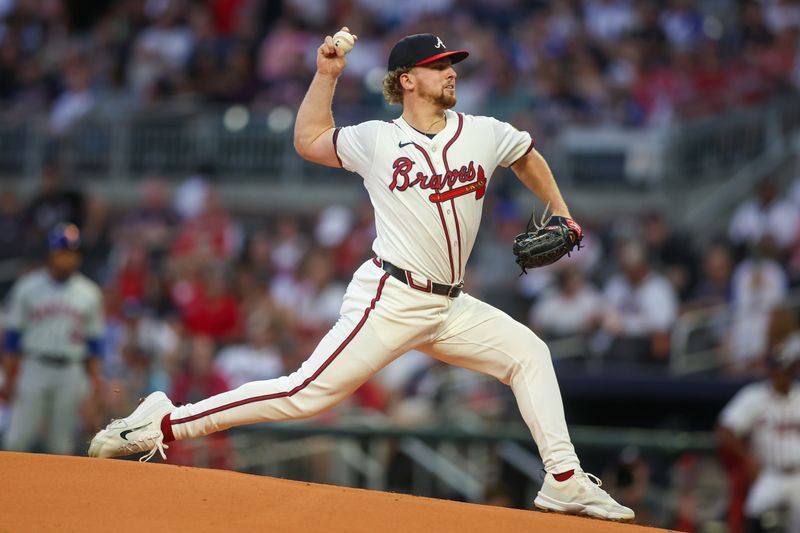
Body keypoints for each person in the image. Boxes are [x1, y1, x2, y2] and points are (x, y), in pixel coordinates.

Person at [88, 29, 634, 521]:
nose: (451, 71)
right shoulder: (377, 139)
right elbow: (308, 140)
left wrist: (561, 211)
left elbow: (526, 154)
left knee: (529, 354)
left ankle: (563, 478)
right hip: (391, 295)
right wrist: (326, 75)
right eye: (439, 64)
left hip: (450, 305)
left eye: (453, 63)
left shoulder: (483, 131)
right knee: (304, 393)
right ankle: (160, 424)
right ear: (407, 80)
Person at [2, 223, 104, 454]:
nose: (67, 259)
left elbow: (95, 346)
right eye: (62, 252)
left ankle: (56, 491)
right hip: (34, 367)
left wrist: (95, 385)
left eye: (72, 253)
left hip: (71, 371)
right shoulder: (27, 288)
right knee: (16, 441)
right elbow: (12, 339)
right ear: (50, 253)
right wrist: (9, 377)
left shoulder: (90, 293)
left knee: (61, 445)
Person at [717, 333, 800, 532]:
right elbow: (725, 430)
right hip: (769, 473)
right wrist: (748, 460)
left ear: (793, 369)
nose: (780, 374)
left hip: (798, 475)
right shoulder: (755, 396)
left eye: (785, 369)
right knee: (753, 513)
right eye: (777, 369)